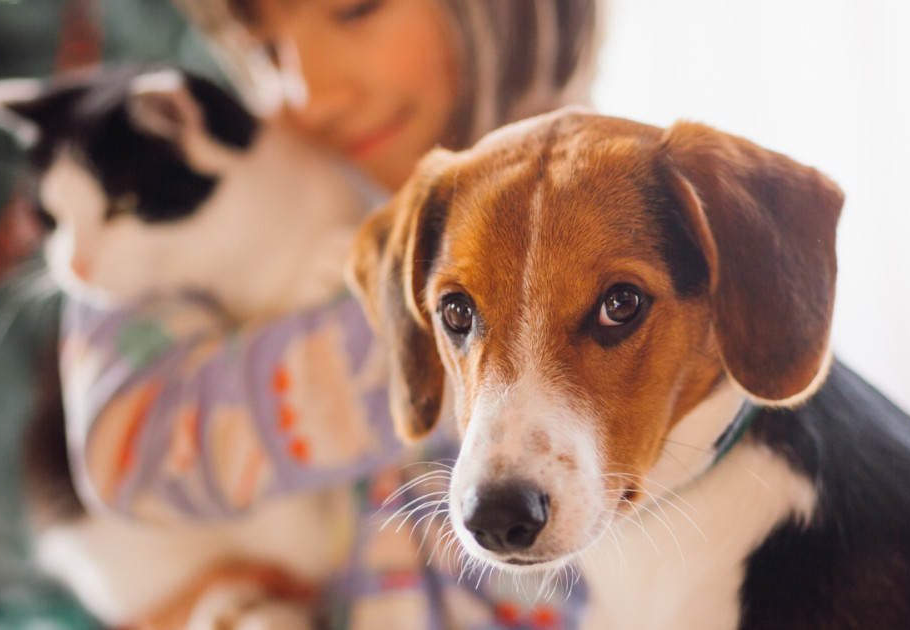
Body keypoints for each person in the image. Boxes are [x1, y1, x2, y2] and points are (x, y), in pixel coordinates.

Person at [57, 0, 601, 627]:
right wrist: (442, 337)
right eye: (263, 49)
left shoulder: (645, 228)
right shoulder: (190, 184)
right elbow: (127, 447)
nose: (308, 93)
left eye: (354, 11)